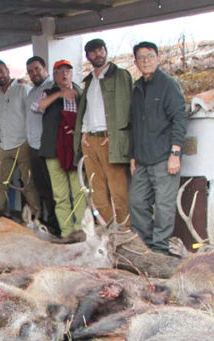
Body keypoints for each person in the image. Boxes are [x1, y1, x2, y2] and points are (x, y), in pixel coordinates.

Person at [128, 41, 188, 254]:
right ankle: (143, 248)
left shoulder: (168, 85)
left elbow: (180, 119)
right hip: (142, 160)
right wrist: (133, 155)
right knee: (136, 203)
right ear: (135, 62)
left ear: (158, 58)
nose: (146, 60)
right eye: (141, 57)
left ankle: (160, 252)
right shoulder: (136, 88)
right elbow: (135, 124)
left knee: (163, 207)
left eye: (150, 56)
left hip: (164, 158)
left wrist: (175, 153)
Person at [75, 38, 132, 225]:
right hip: (90, 140)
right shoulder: (90, 80)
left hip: (110, 140)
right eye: (92, 51)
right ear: (88, 56)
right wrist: (83, 133)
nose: (97, 54)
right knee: (96, 191)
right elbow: (87, 109)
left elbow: (126, 107)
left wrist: (114, 133)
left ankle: (124, 233)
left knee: (119, 191)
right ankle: (108, 233)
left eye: (100, 50)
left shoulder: (120, 75)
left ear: (105, 51)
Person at [33, 60, 86, 237]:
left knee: (79, 191)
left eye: (68, 71)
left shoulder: (80, 93)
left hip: (75, 150)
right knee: (60, 194)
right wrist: (59, 94)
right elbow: (37, 107)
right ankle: (67, 232)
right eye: (60, 71)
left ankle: (80, 229)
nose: (64, 74)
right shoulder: (47, 93)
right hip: (53, 150)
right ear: (54, 75)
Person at [0, 60, 37, 218]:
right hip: (4, 146)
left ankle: (38, 218)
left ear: (8, 70)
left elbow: (32, 116)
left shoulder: (23, 89)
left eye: (1, 71)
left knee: (28, 184)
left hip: (22, 143)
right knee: (1, 184)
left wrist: (28, 141)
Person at [24, 55, 58, 232]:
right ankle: (47, 220)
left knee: (53, 188)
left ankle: (56, 224)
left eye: (37, 69)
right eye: (30, 71)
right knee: (42, 187)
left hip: (47, 147)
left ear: (45, 69)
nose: (34, 73)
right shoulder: (31, 92)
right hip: (33, 146)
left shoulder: (52, 88)